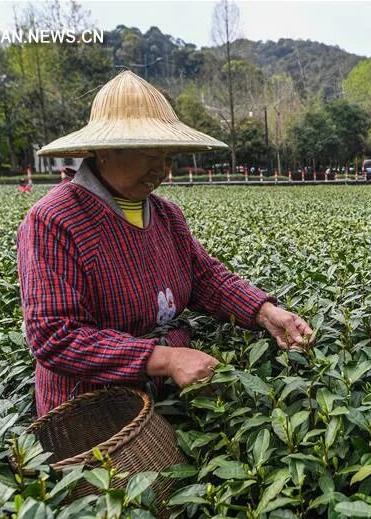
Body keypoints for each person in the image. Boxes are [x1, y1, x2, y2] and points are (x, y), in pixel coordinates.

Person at [17, 70, 312, 417]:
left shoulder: (166, 213)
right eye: (148, 153)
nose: (162, 169)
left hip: (165, 398)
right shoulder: (54, 220)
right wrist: (166, 358)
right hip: (94, 415)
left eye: (169, 155)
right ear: (104, 152)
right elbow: (56, 337)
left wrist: (266, 312)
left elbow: (205, 279)